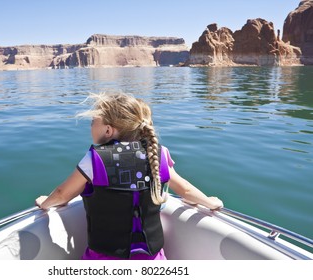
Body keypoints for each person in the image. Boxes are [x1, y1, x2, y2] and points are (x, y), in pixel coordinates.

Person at [35, 92, 223, 260]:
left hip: (104, 258)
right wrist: (209, 202)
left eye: (93, 122)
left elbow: (62, 194)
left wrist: (45, 203)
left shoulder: (94, 159)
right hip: (153, 258)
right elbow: (186, 189)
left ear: (108, 130)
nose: (90, 126)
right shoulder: (159, 153)